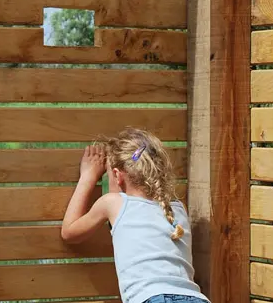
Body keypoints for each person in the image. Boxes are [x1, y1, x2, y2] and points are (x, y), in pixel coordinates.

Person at [61, 127, 209, 303]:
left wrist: (88, 175)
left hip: (152, 298)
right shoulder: (177, 208)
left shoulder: (112, 203)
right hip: (196, 298)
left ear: (117, 175)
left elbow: (69, 233)